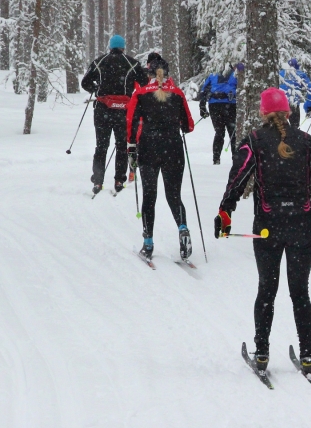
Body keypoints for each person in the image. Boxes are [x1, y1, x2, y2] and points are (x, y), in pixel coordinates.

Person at [215, 87, 311, 375]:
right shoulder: (308, 143)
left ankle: (263, 353)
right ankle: (307, 356)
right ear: (289, 112)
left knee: (267, 290)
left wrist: (225, 211)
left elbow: (238, 176)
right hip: (303, 226)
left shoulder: (254, 142)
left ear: (262, 112)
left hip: (268, 227)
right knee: (300, 293)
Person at [127, 54, 195, 260]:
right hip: (173, 147)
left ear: (149, 74)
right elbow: (189, 126)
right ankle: (183, 229)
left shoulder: (140, 93)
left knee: (150, 195)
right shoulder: (177, 93)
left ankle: (148, 242)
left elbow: (131, 123)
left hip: (148, 147)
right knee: (174, 194)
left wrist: (131, 147)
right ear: (167, 74)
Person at [81, 35, 149, 195]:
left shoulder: (99, 62)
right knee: (121, 146)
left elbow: (85, 83)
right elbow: (144, 83)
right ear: (123, 47)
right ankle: (119, 180)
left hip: (102, 110)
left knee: (101, 146)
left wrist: (96, 89)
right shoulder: (132, 63)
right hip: (123, 111)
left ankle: (98, 181)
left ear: (110, 47)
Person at [199, 66, 238, 164]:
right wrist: (202, 106)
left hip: (219, 105)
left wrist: (202, 106)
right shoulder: (234, 73)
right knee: (229, 133)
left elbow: (204, 90)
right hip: (226, 105)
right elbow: (204, 90)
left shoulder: (215, 73)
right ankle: (230, 159)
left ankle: (221, 159)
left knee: (224, 133)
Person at [279, 58, 311, 129]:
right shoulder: (300, 74)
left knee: (280, 126)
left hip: (280, 103)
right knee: (294, 126)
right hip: (294, 103)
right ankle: (294, 136)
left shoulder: (280, 74)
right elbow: (309, 88)